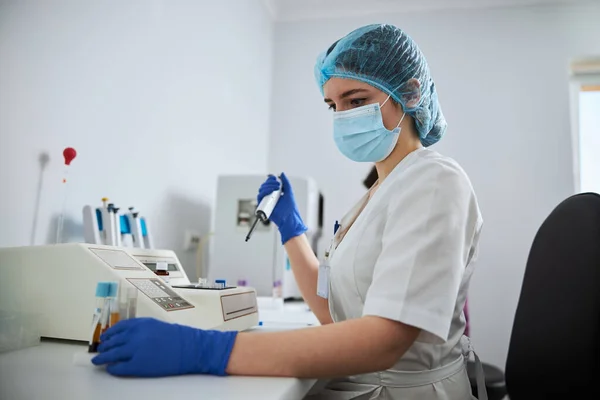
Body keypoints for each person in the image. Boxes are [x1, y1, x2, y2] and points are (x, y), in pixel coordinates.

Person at [91, 23, 484, 400]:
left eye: (357, 100)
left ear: (410, 93)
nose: (343, 116)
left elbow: (383, 340)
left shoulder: (433, 180)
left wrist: (208, 350)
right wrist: (291, 230)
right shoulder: (376, 195)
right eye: (333, 105)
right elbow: (336, 316)